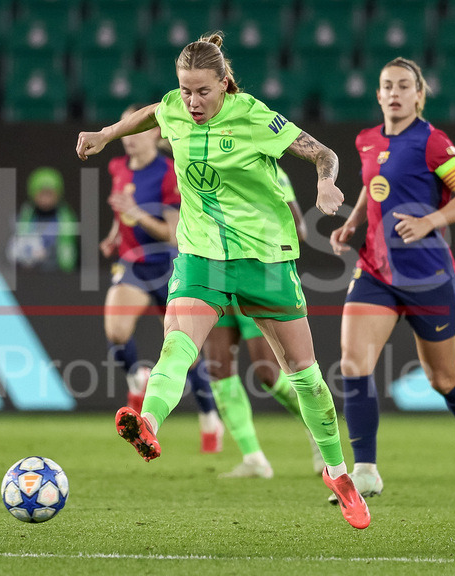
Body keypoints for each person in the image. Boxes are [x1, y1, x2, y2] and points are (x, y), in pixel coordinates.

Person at [76, 31, 369, 529]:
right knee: (178, 344)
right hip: (202, 256)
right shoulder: (175, 107)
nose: (192, 102)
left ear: (224, 84)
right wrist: (106, 134)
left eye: (203, 92)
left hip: (265, 258)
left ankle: (338, 474)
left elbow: (323, 153)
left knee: (304, 373)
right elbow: (153, 112)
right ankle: (148, 422)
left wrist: (325, 182)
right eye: (185, 90)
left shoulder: (253, 116)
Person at [327, 57, 455, 502]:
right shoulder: (366, 140)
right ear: (378, 94)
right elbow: (373, 184)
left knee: (442, 378)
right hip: (376, 270)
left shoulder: (433, 142)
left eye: (404, 86)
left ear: (419, 95)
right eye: (388, 85)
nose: (395, 93)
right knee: (353, 364)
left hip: (427, 276)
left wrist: (429, 221)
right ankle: (365, 471)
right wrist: (354, 222)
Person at [99, 104, 223, 454]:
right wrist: (114, 234)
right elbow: (122, 211)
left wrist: (136, 214)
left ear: (155, 132)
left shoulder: (169, 172)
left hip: (168, 265)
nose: (128, 137)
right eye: (124, 128)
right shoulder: (117, 167)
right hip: (133, 265)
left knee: (187, 354)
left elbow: (171, 234)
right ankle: (136, 378)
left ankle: (209, 417)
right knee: (116, 332)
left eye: (135, 129)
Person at [204, 165, 326, 478]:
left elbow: (299, 229)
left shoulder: (267, 170)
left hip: (257, 273)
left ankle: (317, 432)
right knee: (217, 367)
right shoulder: (202, 164)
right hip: (214, 272)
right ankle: (253, 457)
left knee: (268, 373)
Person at [7, 167, 78, 273]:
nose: (45, 199)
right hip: (30, 270)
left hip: (58, 271)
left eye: (49, 194)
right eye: (42, 194)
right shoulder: (26, 215)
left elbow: (68, 250)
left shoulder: (65, 216)